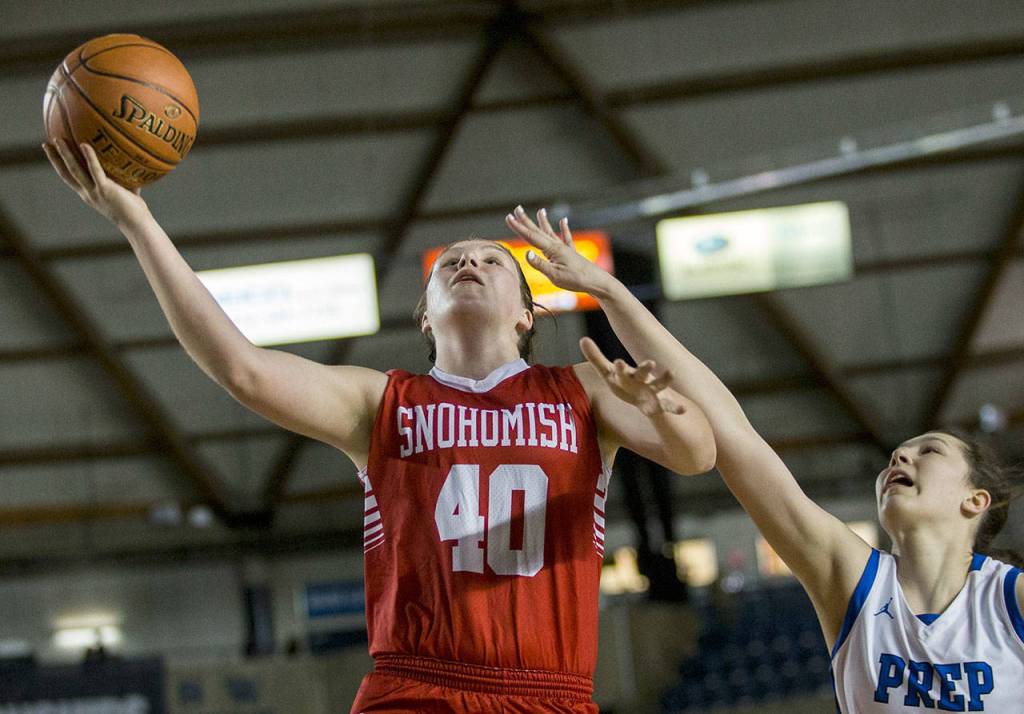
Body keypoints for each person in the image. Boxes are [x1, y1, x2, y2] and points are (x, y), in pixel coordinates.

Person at [44, 140, 716, 713]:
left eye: (491, 261)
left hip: (548, 692)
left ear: (525, 315)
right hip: (414, 690)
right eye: (453, 261)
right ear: (425, 317)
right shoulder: (380, 403)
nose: (469, 264)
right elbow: (240, 369)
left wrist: (660, 408)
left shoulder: (586, 387)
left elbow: (698, 455)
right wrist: (138, 223)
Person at [518, 218, 1024, 711]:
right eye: (899, 451)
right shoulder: (852, 578)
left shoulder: (1009, 600)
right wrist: (610, 291)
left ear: (975, 500)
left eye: (929, 451)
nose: (901, 454)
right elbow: (730, 428)